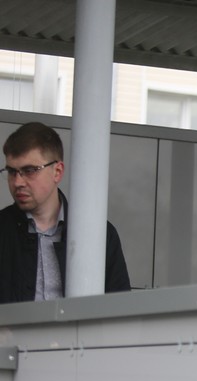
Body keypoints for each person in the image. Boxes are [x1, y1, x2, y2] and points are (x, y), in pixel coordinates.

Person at [0, 121, 130, 303]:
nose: (17, 182)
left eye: (29, 171)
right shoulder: (3, 230)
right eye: (12, 172)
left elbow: (119, 307)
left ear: (57, 172)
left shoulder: (99, 235)